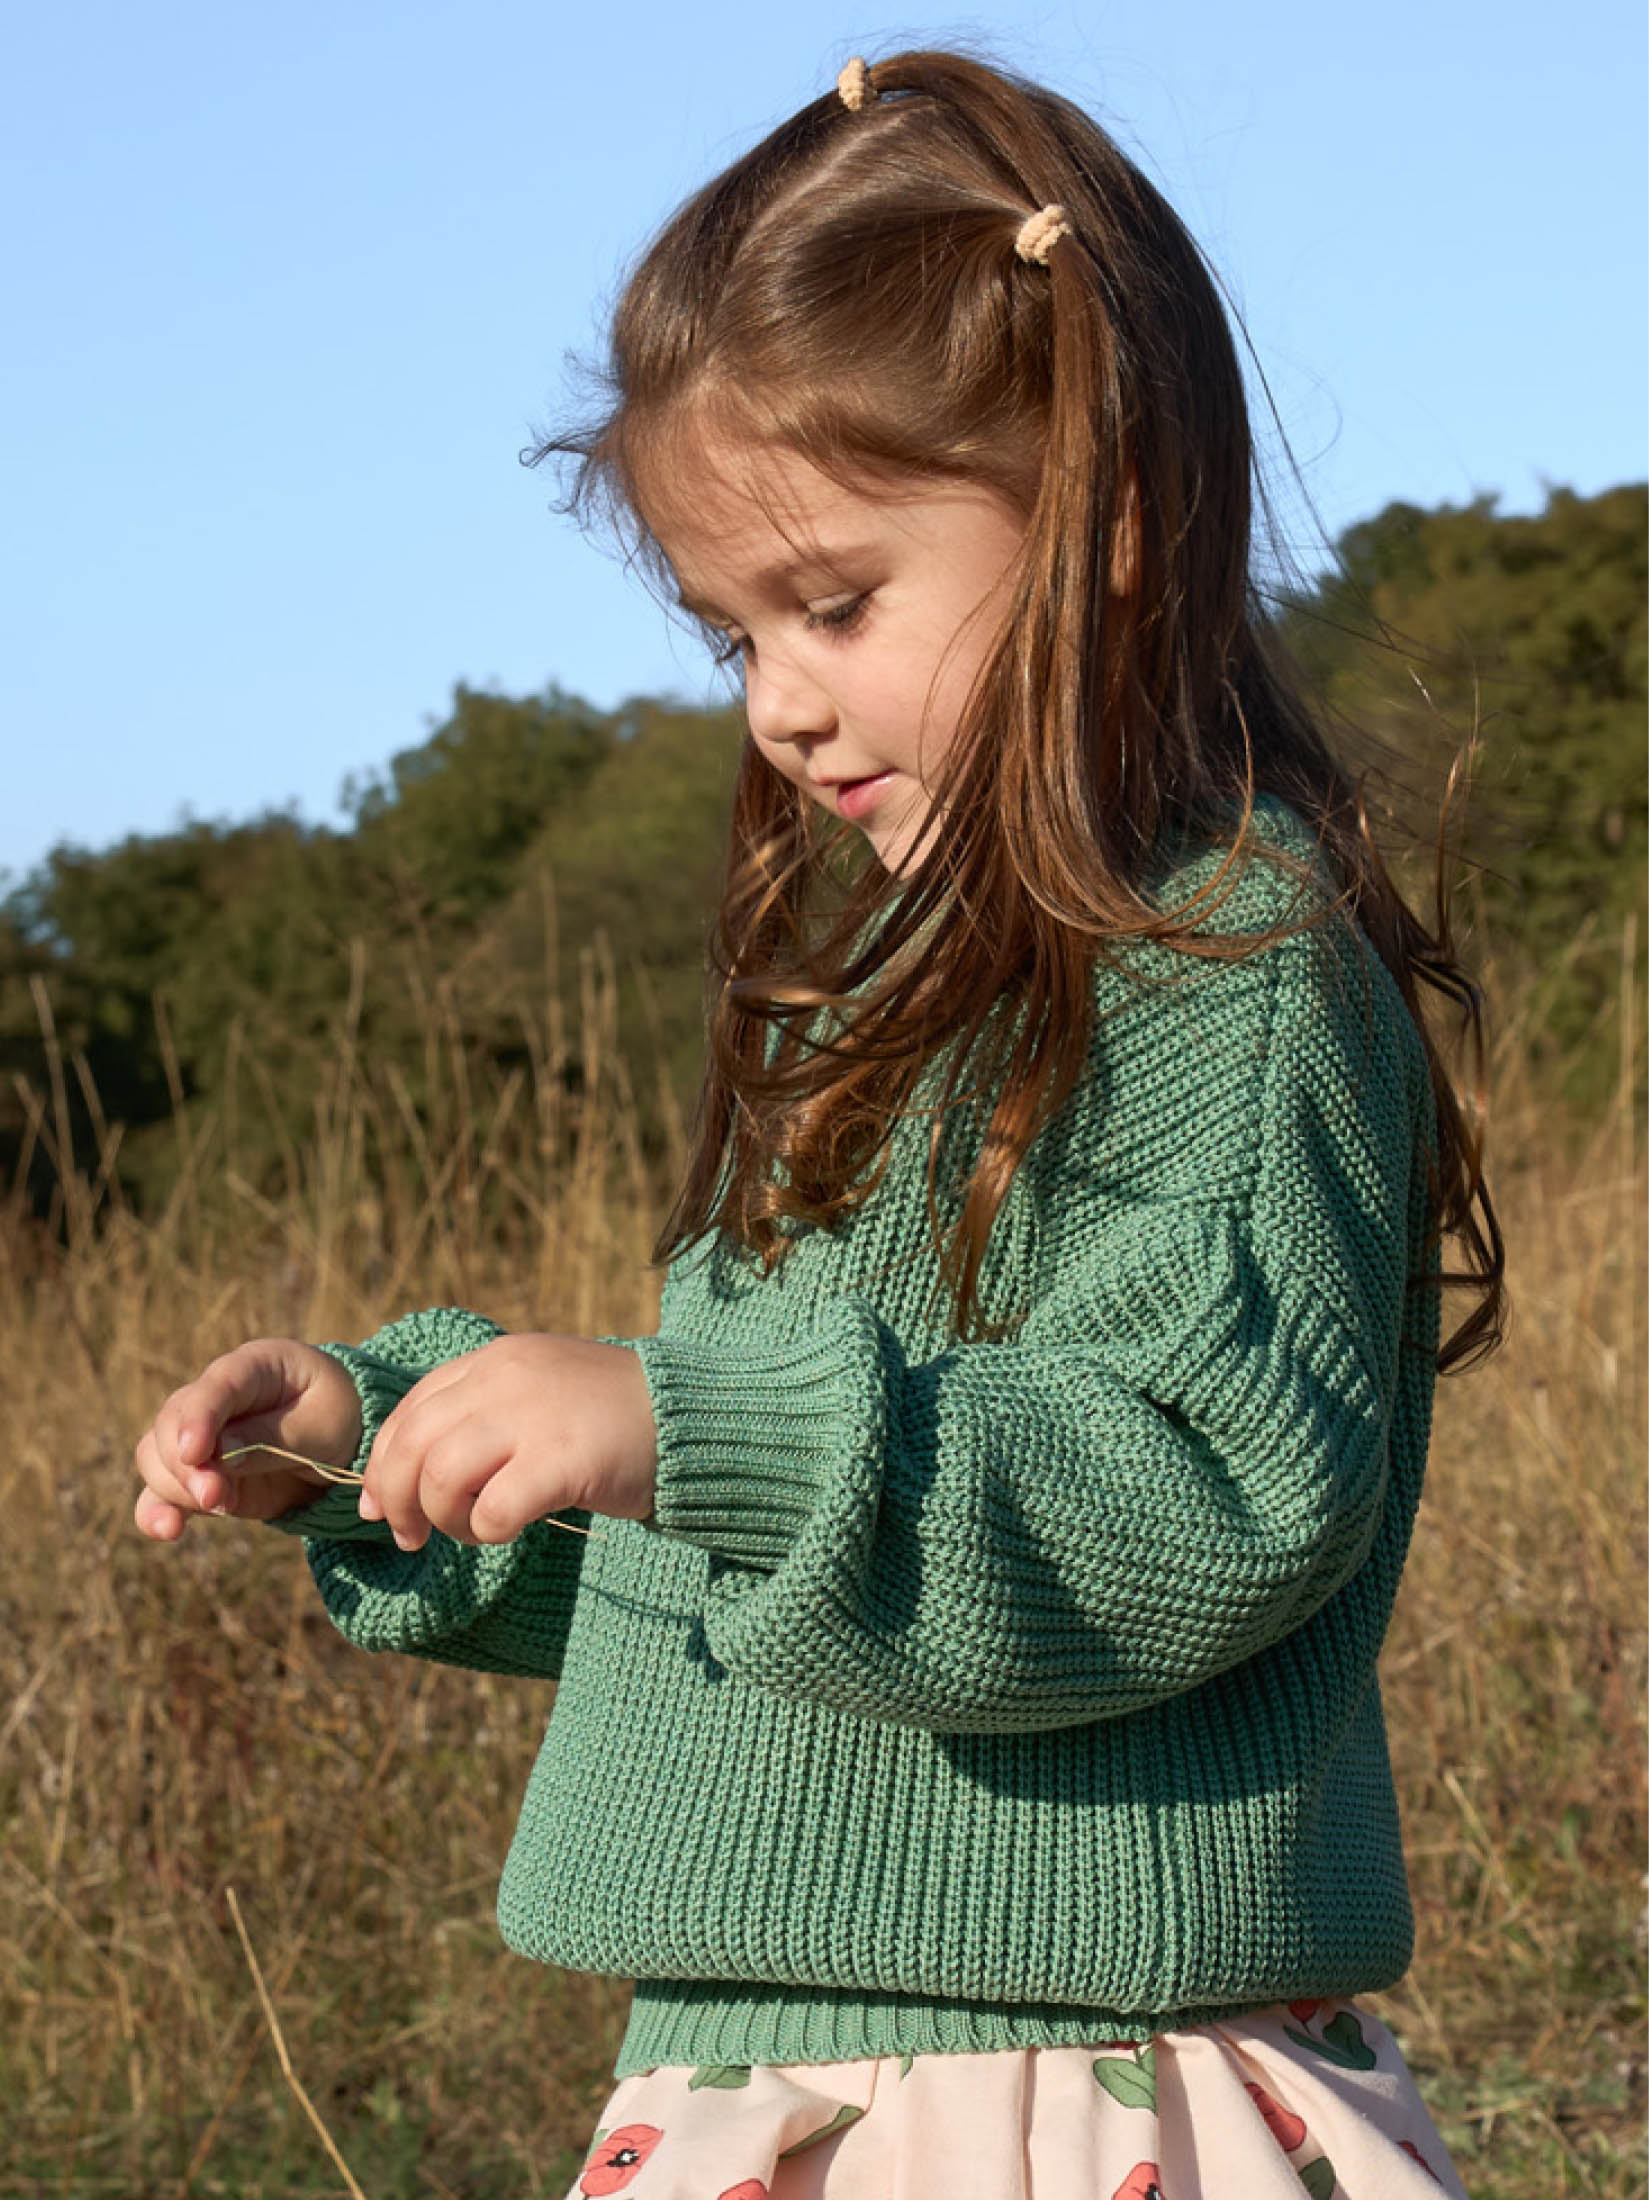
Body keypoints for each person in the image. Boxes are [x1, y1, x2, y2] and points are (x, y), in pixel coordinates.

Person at [132, 46, 1503, 2200]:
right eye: (729, 628)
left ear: (1109, 519)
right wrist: (398, 1438)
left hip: (1058, 2080)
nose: (773, 695)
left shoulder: (1223, 960)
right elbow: (784, 1566)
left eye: (836, 601)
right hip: (779, 2075)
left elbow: (1198, 1492)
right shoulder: (873, 999)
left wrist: (695, 1426)